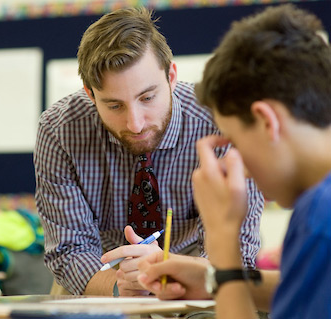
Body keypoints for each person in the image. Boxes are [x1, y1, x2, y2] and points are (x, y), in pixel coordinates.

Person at [34, 7, 264, 297]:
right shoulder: (59, 130)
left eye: (147, 97)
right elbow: (69, 250)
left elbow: (237, 254)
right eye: (114, 105)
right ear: (90, 94)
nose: (135, 123)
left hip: (198, 269)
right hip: (103, 275)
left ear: (171, 76)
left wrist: (169, 274)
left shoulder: (220, 123)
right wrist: (121, 286)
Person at [138, 4, 331, 319]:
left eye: (234, 141)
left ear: (267, 122)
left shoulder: (319, 216)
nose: (236, 161)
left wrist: (224, 236)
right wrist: (212, 279)